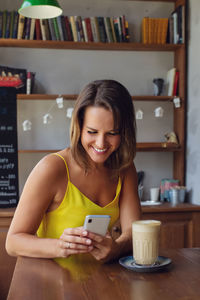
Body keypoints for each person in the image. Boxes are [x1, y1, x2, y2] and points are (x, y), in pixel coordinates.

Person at [6, 79, 141, 266]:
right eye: (92, 132)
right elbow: (13, 242)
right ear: (79, 127)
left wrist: (117, 247)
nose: (101, 144)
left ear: (124, 132)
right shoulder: (52, 168)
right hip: (52, 283)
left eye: (112, 133)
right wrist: (60, 246)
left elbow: (134, 233)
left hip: (100, 282)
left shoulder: (125, 169)